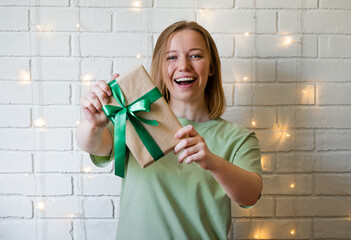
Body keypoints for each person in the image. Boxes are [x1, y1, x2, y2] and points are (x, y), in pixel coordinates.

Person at [76, 21, 262, 240]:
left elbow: (251, 195)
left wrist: (212, 161)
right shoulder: (135, 116)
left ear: (211, 67)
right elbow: (93, 143)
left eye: (195, 55)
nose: (183, 65)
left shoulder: (238, 138)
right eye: (172, 57)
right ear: (161, 68)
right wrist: (94, 124)